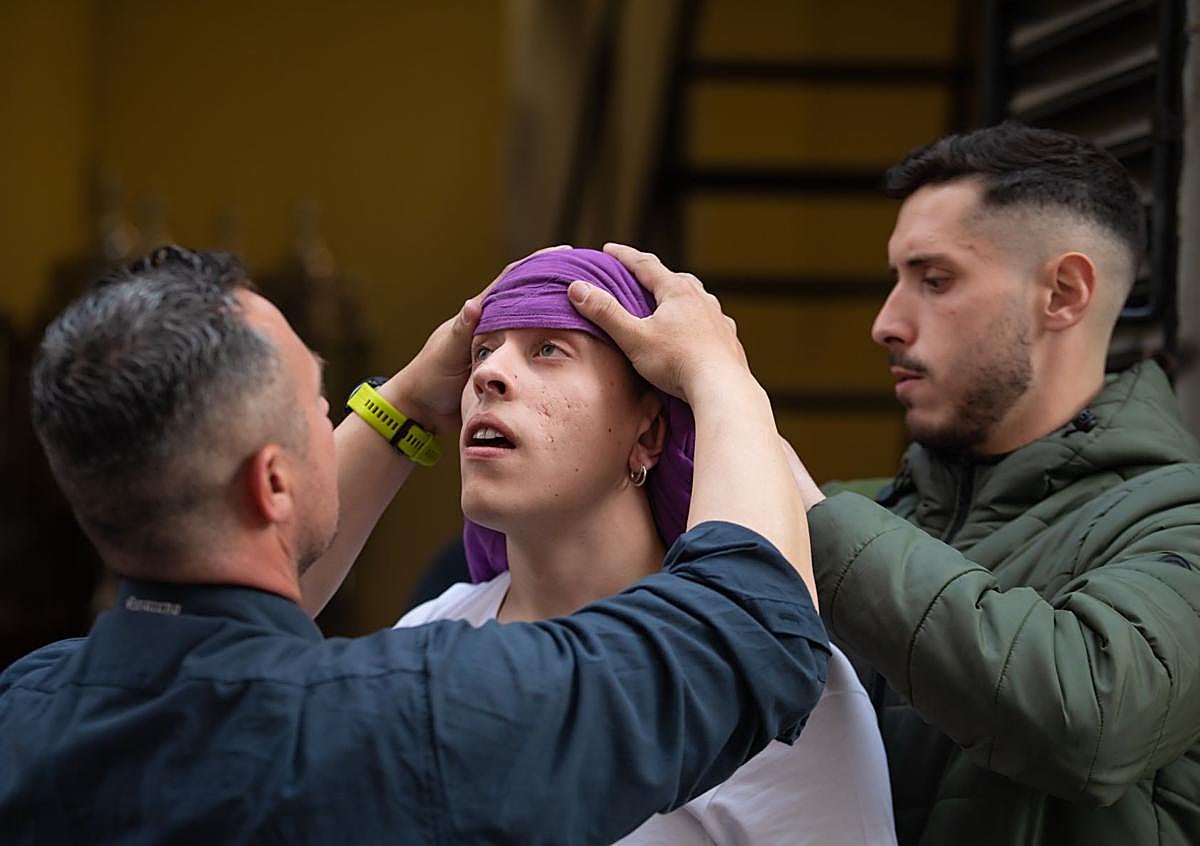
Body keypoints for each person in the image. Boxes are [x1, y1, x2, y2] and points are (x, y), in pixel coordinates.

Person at [0, 246, 831, 844]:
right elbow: (745, 631)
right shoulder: (409, 709)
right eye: (323, 409)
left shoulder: (25, 713)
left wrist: (402, 409)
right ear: (274, 485)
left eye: (545, 350)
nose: (482, 378)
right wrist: (721, 373)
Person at [779, 123, 1200, 845]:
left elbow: (1088, 719)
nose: (886, 323)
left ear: (1063, 293)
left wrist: (803, 511)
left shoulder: (1177, 518)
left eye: (935, 280)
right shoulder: (864, 510)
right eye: (896, 280)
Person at [393, 247, 896, 845]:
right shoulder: (423, 637)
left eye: (549, 347)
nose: (485, 375)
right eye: (482, 350)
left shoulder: (771, 685)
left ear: (650, 433)